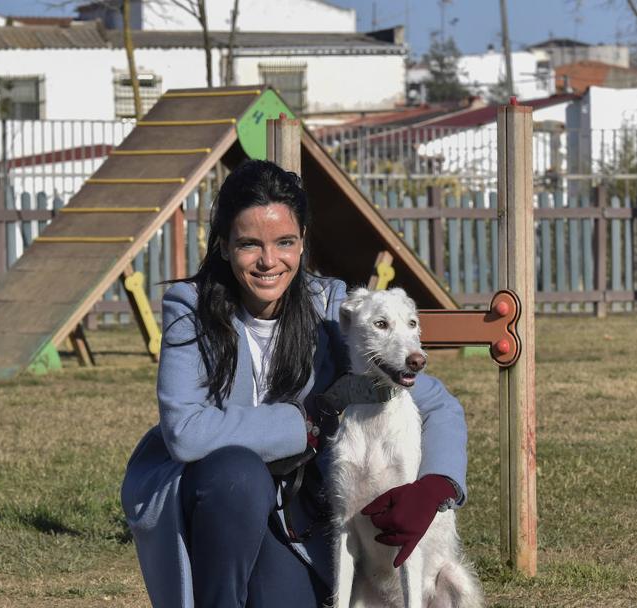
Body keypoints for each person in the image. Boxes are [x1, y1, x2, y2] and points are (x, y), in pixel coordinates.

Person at [120, 160, 469, 608]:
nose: (269, 261)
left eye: (285, 242)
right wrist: (304, 423)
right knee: (237, 473)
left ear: (303, 243)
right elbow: (187, 432)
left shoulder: (331, 308)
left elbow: (437, 404)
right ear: (225, 247)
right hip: (213, 499)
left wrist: (436, 485)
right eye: (250, 244)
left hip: (295, 511)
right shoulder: (189, 309)